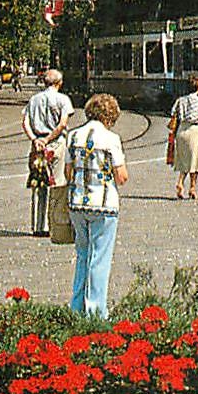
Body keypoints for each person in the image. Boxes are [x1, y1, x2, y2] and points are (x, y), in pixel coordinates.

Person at [65, 92, 129, 315]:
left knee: (83, 255)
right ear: (110, 117)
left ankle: (76, 308)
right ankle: (95, 312)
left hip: (76, 204)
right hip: (104, 205)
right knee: (99, 259)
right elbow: (121, 176)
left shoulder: (72, 136)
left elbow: (68, 172)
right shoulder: (111, 139)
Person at [23, 69, 74, 235]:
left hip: (37, 145)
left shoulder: (34, 99)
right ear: (59, 83)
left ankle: (39, 226)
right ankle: (55, 224)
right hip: (56, 143)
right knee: (58, 183)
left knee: (39, 183)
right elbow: (62, 124)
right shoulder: (63, 99)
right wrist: (47, 139)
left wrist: (35, 139)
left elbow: (25, 122)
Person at [170, 76, 198, 199]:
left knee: (183, 160)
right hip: (194, 131)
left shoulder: (180, 100)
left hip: (181, 131)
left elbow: (173, 112)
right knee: (195, 161)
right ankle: (192, 188)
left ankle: (180, 182)